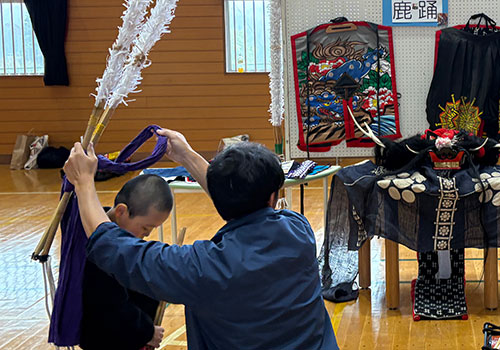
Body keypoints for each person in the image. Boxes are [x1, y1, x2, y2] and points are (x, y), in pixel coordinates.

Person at [63, 129, 339, 350]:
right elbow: (239, 202)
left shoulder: (202, 267)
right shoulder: (299, 231)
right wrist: (187, 155)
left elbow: (112, 247)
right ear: (273, 196)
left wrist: (85, 183)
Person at [79, 174, 172, 350]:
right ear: (121, 212)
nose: (147, 234)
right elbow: (110, 304)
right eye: (145, 227)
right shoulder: (101, 249)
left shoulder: (115, 238)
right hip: (106, 338)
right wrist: (146, 332)